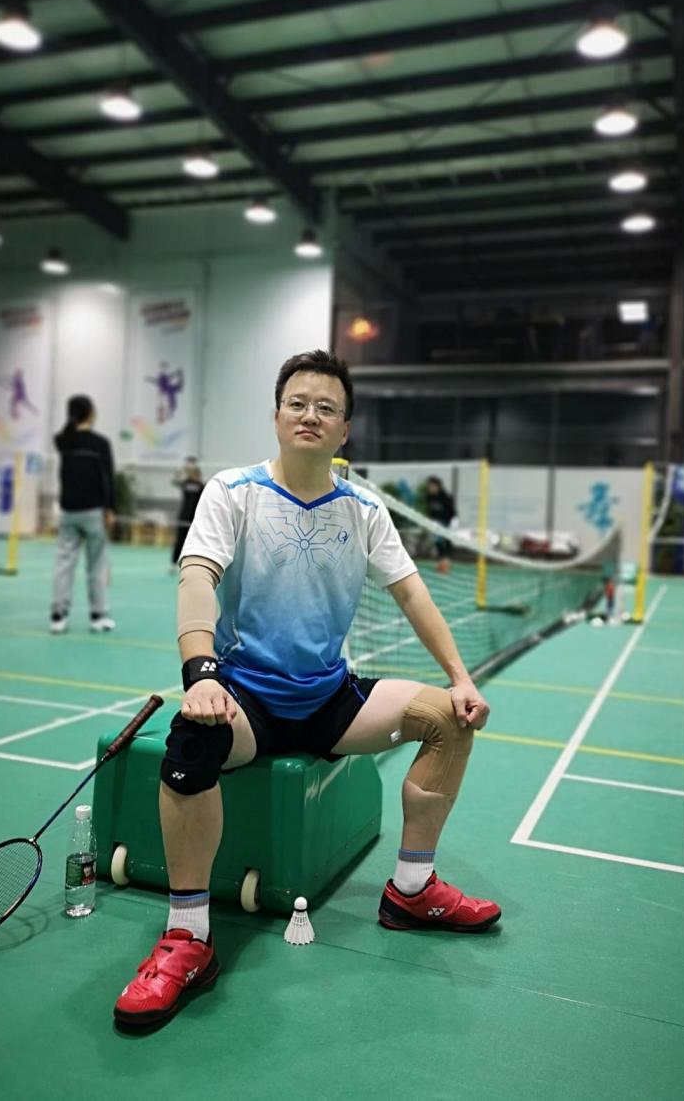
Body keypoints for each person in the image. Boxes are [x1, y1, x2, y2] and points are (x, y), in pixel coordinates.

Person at [114, 350, 500, 1027]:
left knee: (450, 718)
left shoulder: (363, 509)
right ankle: (188, 936)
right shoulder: (232, 491)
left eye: (326, 407)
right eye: (297, 403)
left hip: (329, 698)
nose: (309, 415)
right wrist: (200, 673)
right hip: (246, 697)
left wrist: (460, 679)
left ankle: (410, 890)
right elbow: (197, 577)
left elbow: (412, 594)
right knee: (193, 740)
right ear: (276, 416)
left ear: (344, 430)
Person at [50, 395, 116, 634]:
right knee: (96, 565)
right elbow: (107, 479)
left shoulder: (63, 441)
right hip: (93, 512)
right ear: (90, 412)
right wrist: (110, 509)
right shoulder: (101, 443)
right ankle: (98, 616)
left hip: (68, 511)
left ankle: (58, 617)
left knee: (63, 564)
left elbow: (62, 435)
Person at [170, 457, 204, 569]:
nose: (194, 475)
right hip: (183, 516)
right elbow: (174, 481)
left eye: (196, 473)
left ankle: (191, 563)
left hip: (195, 518)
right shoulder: (185, 483)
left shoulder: (201, 486)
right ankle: (173, 563)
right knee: (179, 540)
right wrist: (181, 471)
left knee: (193, 542)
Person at [424, 475, 457, 573]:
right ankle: (441, 562)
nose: (430, 488)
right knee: (438, 543)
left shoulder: (445, 497)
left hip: (447, 523)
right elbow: (430, 511)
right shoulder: (429, 497)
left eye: (432, 486)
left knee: (446, 542)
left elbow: (452, 512)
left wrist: (448, 524)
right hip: (436, 523)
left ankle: (446, 563)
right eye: (429, 486)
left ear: (438, 486)